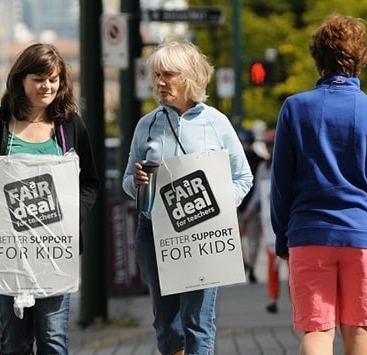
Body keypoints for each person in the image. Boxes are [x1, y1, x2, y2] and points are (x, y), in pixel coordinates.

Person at [0, 43, 100, 354]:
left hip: (56, 253)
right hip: (9, 254)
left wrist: (72, 217)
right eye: (39, 79)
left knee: (53, 340)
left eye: (53, 79)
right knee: (15, 343)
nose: (47, 87)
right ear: (20, 80)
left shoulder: (70, 125)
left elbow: (90, 183)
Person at [270, 14, 367, 355]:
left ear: (318, 59)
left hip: (309, 232)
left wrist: (283, 235)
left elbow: (281, 183)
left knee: (317, 331)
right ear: (359, 59)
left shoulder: (295, 108)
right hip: (362, 234)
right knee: (359, 333)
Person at [122, 40, 253, 355]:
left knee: (197, 323)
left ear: (190, 76)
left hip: (202, 235)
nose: (160, 82)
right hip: (154, 235)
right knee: (167, 324)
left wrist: (220, 203)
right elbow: (128, 180)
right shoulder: (147, 125)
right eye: (156, 75)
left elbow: (243, 177)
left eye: (168, 74)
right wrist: (137, 182)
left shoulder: (217, 123)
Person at [243, 129, 287, 313]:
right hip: (270, 221)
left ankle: (297, 301)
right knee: (272, 260)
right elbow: (258, 195)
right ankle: (272, 297)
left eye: (274, 145)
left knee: (293, 263)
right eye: (269, 146)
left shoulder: (288, 165)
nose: (271, 149)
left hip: (289, 220)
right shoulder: (264, 167)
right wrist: (248, 213)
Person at [237, 129, 264, 283]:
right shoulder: (260, 161)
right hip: (247, 206)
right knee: (248, 240)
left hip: (247, 206)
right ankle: (248, 265)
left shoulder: (236, 160)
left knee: (249, 239)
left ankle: (250, 266)